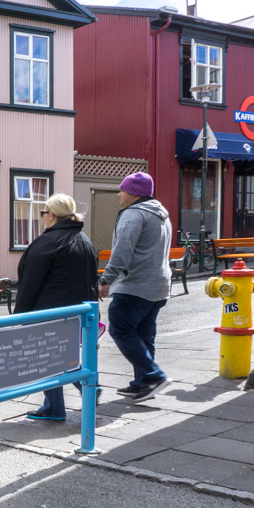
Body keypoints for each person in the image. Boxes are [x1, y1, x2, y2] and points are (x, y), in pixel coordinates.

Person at [15, 194, 99, 421]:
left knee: (49, 358)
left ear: (51, 216)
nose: (42, 217)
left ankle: (79, 389)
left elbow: (30, 282)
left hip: (48, 312)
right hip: (78, 312)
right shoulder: (84, 240)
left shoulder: (46, 243)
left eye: (43, 213)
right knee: (61, 354)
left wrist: (19, 316)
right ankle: (59, 402)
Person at [100, 172, 173, 402]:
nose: (119, 194)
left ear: (133, 193)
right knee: (143, 335)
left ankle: (153, 376)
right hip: (159, 285)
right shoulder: (161, 214)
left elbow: (122, 251)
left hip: (135, 285)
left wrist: (106, 280)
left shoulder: (133, 214)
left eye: (121, 190)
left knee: (120, 328)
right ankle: (144, 385)